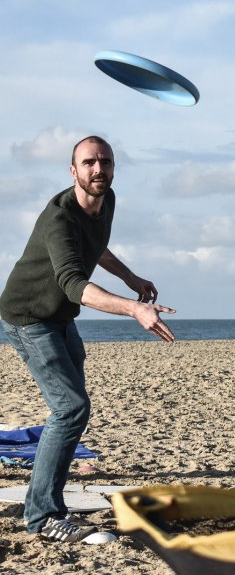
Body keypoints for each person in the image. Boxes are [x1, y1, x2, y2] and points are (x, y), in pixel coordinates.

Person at [0, 135, 177, 542]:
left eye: (106, 162)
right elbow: (75, 283)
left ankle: (49, 492)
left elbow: (95, 249)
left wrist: (129, 277)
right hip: (29, 318)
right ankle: (42, 517)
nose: (99, 170)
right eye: (89, 163)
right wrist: (134, 308)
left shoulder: (106, 200)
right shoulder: (60, 218)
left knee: (72, 410)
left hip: (60, 317)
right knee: (71, 408)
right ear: (73, 170)